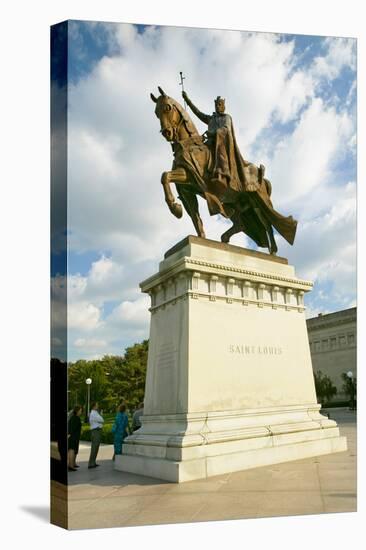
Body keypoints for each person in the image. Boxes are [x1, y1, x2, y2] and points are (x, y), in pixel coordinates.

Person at [182, 91, 251, 194]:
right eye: (216, 105)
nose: (217, 106)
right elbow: (198, 113)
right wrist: (187, 100)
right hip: (209, 143)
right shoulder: (211, 119)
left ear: (223, 106)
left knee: (220, 148)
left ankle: (222, 175)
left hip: (221, 142)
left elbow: (226, 128)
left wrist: (214, 133)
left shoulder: (226, 117)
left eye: (220, 104)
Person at [88, 402, 104, 469]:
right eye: (97, 405)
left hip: (97, 431)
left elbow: (101, 420)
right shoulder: (93, 413)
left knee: (96, 447)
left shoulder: (95, 413)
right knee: (94, 447)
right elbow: (102, 420)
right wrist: (100, 419)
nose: (98, 406)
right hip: (96, 431)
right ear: (94, 406)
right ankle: (91, 463)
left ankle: (93, 462)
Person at [68, 405, 83, 472]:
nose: (81, 411)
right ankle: (70, 465)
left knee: (74, 450)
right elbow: (72, 428)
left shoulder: (75, 417)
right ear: (77, 411)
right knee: (72, 450)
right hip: (73, 437)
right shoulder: (75, 418)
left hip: (75, 437)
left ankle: (73, 464)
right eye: (80, 410)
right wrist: (69, 434)